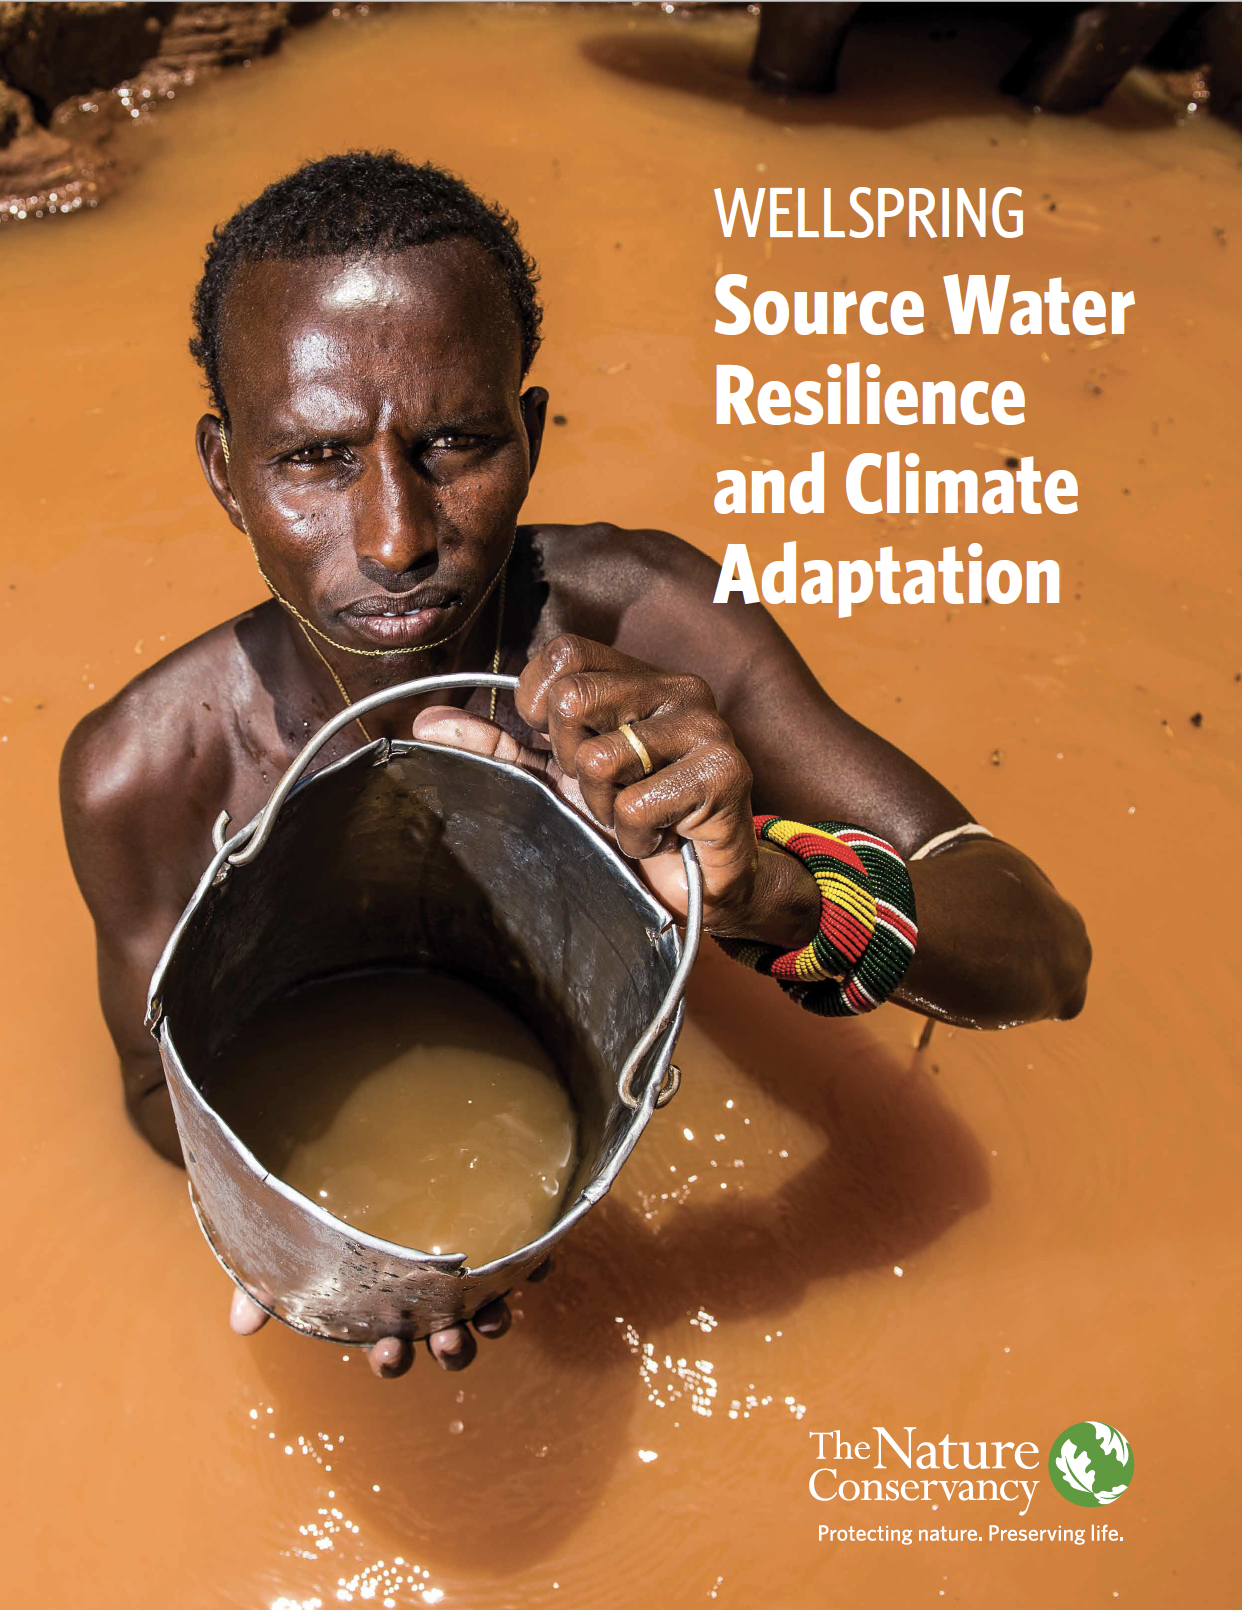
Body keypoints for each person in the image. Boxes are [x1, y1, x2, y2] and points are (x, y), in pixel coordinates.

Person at [60, 151, 1090, 1380]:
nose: (395, 537)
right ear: (227, 473)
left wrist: (770, 892)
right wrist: (316, 1232)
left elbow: (1045, 954)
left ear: (533, 435)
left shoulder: (655, 633)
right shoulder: (143, 774)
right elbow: (151, 1089)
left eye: (455, 442)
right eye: (317, 459)